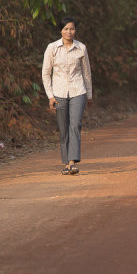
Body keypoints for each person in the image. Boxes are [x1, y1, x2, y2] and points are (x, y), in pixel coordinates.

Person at [42, 16, 93, 175]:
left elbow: (86, 73)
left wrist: (89, 95)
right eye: (66, 29)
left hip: (78, 91)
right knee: (63, 128)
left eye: (72, 29)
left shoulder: (81, 48)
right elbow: (46, 74)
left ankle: (73, 162)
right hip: (59, 93)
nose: (69, 32)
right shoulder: (52, 48)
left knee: (75, 125)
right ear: (61, 30)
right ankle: (66, 163)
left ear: (75, 30)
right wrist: (50, 96)